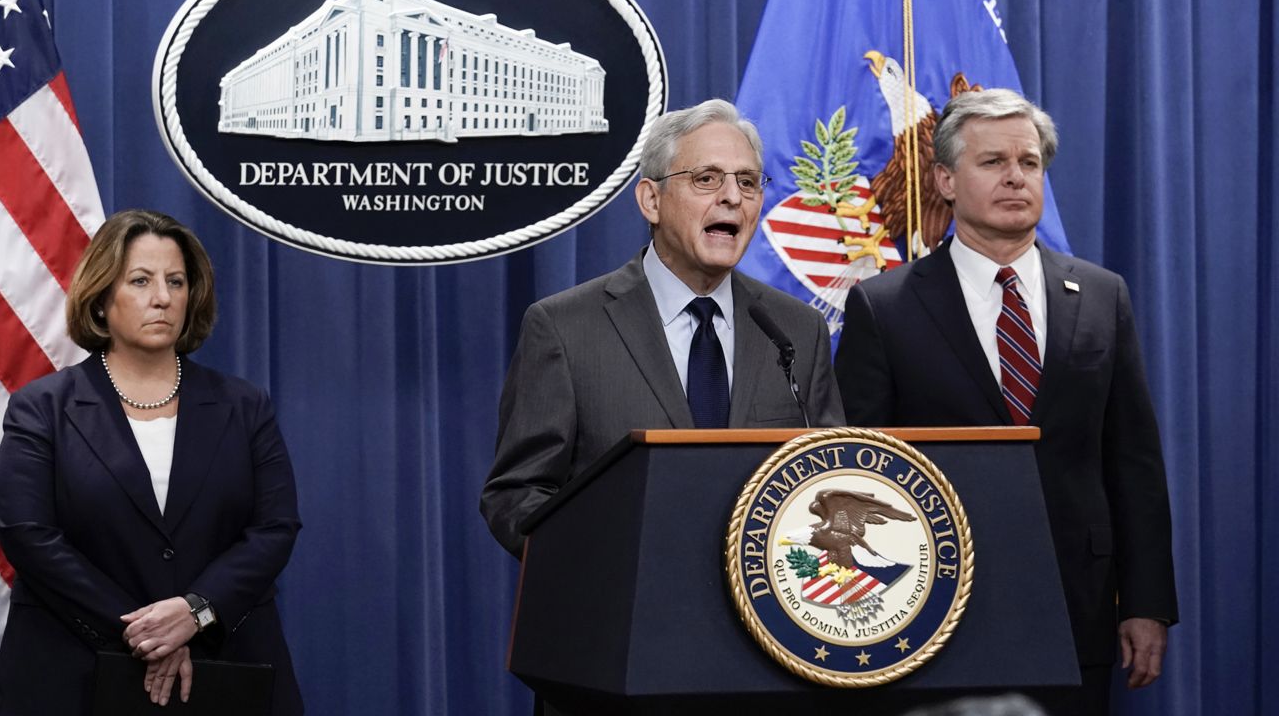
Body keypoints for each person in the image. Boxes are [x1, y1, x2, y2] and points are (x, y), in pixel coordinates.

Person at [833, 89, 1177, 714]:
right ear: (943, 179)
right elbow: (859, 468)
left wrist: (1148, 602)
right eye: (992, 162)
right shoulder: (884, 307)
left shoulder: (1102, 295)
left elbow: (1134, 463)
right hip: (931, 613)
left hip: (1079, 606)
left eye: (1030, 162)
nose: (1016, 177)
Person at [481, 99, 844, 557]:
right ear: (652, 200)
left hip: (767, 616)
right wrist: (609, 562)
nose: (732, 197)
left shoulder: (796, 329)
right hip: (622, 611)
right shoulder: (564, 328)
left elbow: (830, 477)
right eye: (707, 179)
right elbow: (516, 496)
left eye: (748, 182)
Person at [0, 210, 303, 714]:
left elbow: (275, 528)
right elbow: (28, 534)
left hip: (222, 664)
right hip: (73, 667)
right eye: (140, 280)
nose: (162, 297)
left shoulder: (244, 405)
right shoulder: (42, 407)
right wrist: (151, 632)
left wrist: (196, 612)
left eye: (176, 281)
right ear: (101, 297)